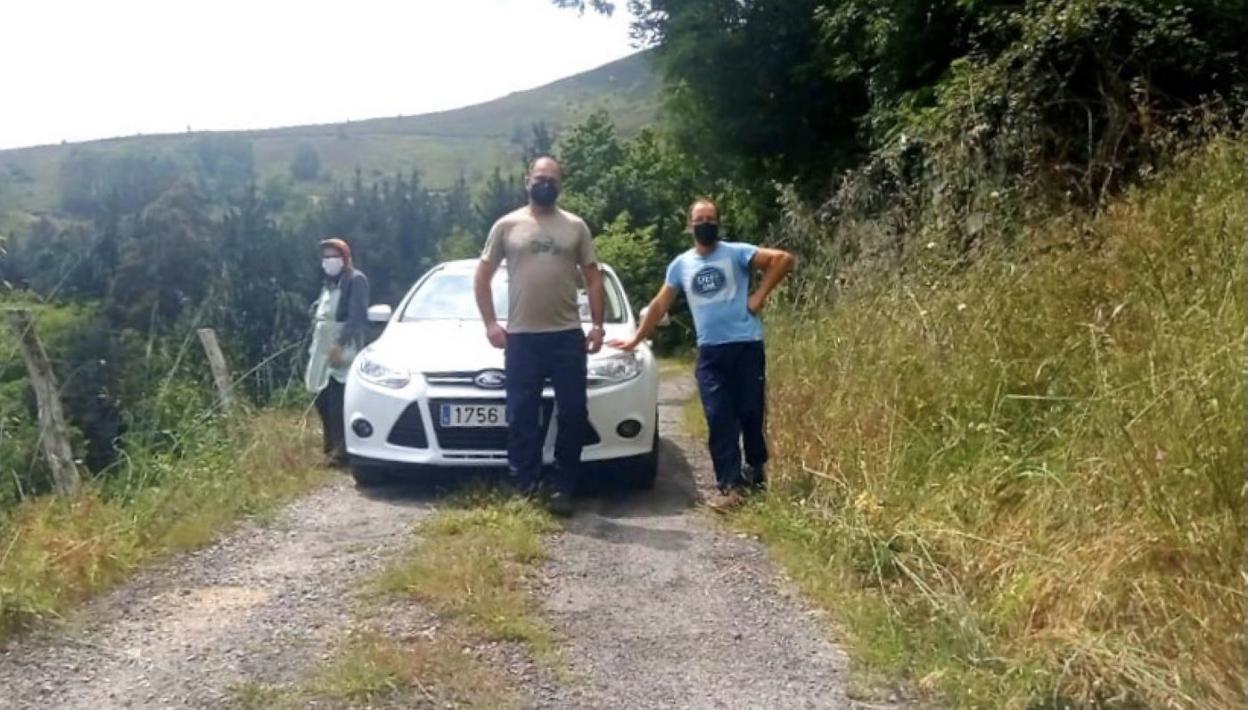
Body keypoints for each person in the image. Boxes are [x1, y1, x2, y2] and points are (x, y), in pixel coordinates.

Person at [611, 198, 795, 510]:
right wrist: (635, 338)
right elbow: (659, 305)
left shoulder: (736, 253)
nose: (705, 223)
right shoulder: (681, 265)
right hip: (711, 352)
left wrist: (759, 296)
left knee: (750, 411)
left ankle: (756, 469)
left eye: (710, 218)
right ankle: (730, 486)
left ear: (718, 224)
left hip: (746, 345)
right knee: (719, 417)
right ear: (689, 225)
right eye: (699, 219)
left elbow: (783, 259)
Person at [475, 156, 605, 517]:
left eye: (552, 178)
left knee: (574, 413)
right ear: (526, 180)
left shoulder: (576, 227)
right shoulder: (507, 225)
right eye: (539, 177)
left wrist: (597, 325)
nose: (544, 183)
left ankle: (565, 486)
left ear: (561, 184)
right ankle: (525, 486)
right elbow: (482, 275)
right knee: (521, 415)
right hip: (522, 338)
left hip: (566, 336)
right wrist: (490, 323)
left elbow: (593, 277)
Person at [305, 238, 370, 467]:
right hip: (321, 346)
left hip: (343, 344)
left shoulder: (356, 280)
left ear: (345, 258)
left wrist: (340, 344)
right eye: (326, 257)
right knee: (321, 397)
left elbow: (356, 317)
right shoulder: (329, 283)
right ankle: (330, 446)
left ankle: (342, 451)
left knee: (337, 398)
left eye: (334, 256)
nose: (329, 261)